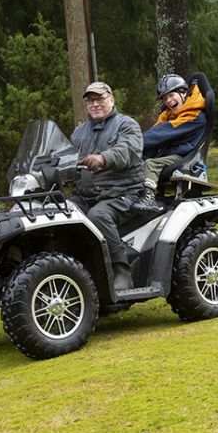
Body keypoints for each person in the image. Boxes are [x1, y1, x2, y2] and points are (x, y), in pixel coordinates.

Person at [69, 81, 145, 291]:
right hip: (85, 196)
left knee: (98, 216)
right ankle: (73, 272)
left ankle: (121, 272)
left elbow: (127, 151)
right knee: (60, 213)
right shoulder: (79, 133)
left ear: (111, 99)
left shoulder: (127, 125)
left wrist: (103, 158)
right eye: (91, 100)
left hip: (124, 193)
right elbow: (65, 158)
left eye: (100, 99)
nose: (95, 104)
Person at [135, 74, 208, 212]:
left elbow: (162, 133)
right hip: (171, 153)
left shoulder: (195, 116)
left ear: (184, 92)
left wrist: (134, 143)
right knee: (138, 161)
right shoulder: (170, 114)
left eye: (171, 95)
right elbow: (155, 132)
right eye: (165, 98)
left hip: (184, 156)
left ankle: (149, 197)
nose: (168, 101)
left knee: (151, 164)